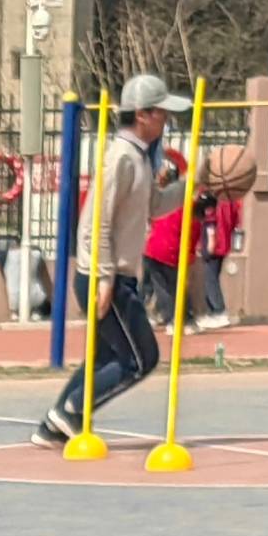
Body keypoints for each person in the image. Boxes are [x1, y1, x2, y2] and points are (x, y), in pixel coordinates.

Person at [36, 73, 177, 447]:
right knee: (139, 359)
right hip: (106, 274)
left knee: (103, 357)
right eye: (161, 113)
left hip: (117, 274)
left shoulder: (140, 158)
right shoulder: (121, 158)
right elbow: (96, 221)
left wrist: (195, 188)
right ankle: (70, 412)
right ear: (143, 115)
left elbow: (156, 206)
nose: (166, 120)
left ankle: (52, 425)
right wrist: (104, 277)